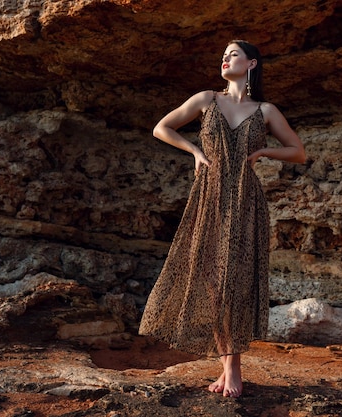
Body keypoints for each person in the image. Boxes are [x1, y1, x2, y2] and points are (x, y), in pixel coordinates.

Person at [139, 40, 306, 398]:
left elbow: (298, 152)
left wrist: (263, 150)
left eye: (232, 54)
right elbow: (162, 128)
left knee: (237, 278)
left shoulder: (266, 110)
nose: (225, 59)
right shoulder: (206, 99)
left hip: (247, 200)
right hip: (210, 197)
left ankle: (233, 369)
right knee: (214, 280)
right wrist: (195, 151)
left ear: (251, 63)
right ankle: (228, 364)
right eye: (223, 55)